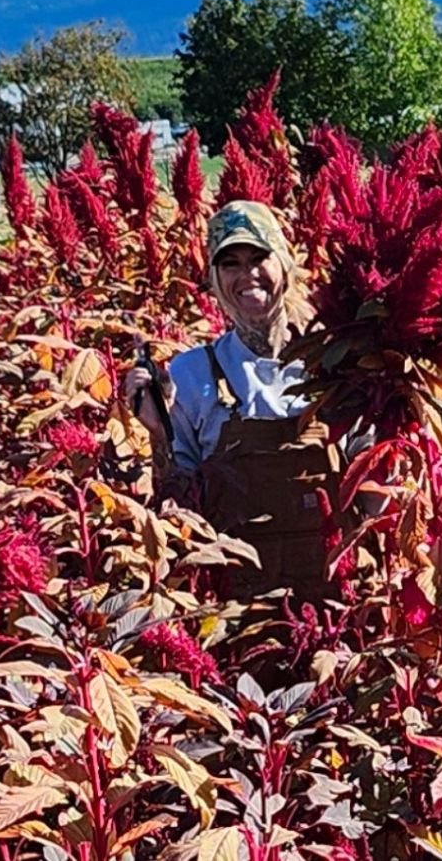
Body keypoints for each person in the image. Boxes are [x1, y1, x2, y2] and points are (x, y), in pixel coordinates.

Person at [124, 200, 344, 599]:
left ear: (284, 263)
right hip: (237, 599)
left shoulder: (333, 361)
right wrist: (158, 432)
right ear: (214, 279)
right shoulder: (191, 374)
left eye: (258, 257)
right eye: (231, 264)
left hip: (336, 589)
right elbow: (177, 505)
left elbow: (374, 480)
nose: (247, 274)